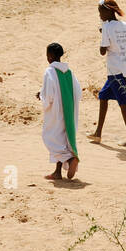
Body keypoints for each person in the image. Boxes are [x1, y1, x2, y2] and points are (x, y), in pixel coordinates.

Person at [94, 0, 126, 147]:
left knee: (123, 102)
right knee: (103, 96)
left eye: (100, 12)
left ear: (107, 12)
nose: (100, 16)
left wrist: (103, 35)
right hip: (123, 67)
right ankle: (98, 133)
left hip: (114, 69)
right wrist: (122, 48)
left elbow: (102, 51)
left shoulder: (107, 27)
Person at [39, 43, 80, 181]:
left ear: (49, 56)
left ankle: (69, 159)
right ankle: (57, 172)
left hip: (55, 111)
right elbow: (78, 91)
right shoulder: (69, 72)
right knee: (62, 139)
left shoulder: (49, 71)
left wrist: (41, 97)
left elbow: (48, 95)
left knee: (50, 137)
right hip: (68, 110)